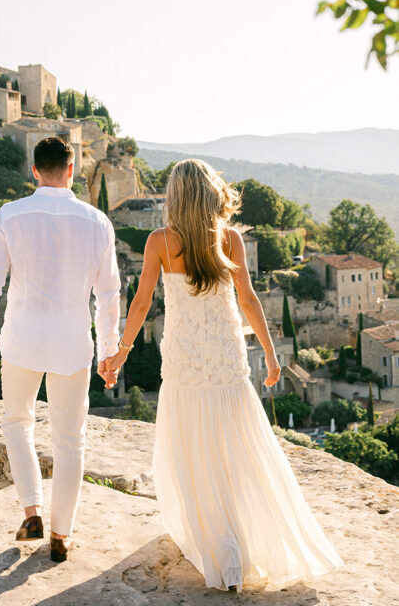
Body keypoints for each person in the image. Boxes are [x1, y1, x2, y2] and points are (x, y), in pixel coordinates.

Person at [105, 158, 343, 593]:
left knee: (192, 447)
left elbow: (140, 304)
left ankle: (215, 544)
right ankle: (235, 545)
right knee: (235, 447)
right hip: (225, 358)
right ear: (210, 192)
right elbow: (249, 301)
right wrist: (270, 355)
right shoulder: (229, 239)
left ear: (175, 197)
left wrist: (121, 352)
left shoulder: (159, 241)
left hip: (184, 360)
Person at [0, 136, 120, 563]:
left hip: (22, 340)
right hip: (72, 343)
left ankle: (31, 512)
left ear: (34, 170)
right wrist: (110, 351)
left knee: (17, 423)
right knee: (71, 440)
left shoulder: (10, 216)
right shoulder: (97, 221)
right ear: (71, 171)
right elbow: (109, 295)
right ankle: (60, 536)